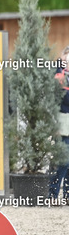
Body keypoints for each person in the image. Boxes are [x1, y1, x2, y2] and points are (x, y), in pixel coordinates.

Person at [49, 46, 69, 200]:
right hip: (62, 123)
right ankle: (53, 194)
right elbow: (62, 98)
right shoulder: (59, 74)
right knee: (62, 160)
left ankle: (67, 195)